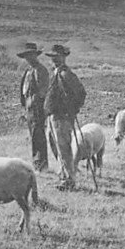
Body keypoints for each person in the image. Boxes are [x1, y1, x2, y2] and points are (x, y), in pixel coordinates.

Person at [43, 44, 86, 190]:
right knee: (56, 147)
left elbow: (81, 93)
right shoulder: (54, 72)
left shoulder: (66, 74)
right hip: (52, 116)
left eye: (57, 57)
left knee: (64, 148)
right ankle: (64, 175)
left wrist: (72, 109)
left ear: (64, 57)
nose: (54, 59)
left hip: (62, 117)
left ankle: (69, 180)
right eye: (52, 57)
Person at [18, 42, 50, 171]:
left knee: (38, 136)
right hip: (29, 108)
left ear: (35, 55)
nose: (28, 58)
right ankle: (37, 162)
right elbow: (24, 90)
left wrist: (36, 103)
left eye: (31, 55)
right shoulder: (29, 71)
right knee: (33, 135)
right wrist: (25, 106)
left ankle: (41, 165)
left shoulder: (40, 70)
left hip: (37, 108)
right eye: (26, 56)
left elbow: (43, 90)